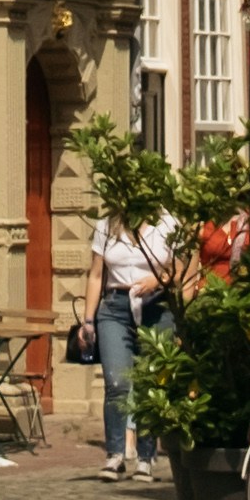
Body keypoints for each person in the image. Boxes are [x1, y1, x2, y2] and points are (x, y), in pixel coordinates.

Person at [76, 196, 177, 478]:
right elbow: (96, 274)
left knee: (148, 382)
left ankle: (146, 457)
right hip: (115, 306)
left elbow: (178, 269)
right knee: (117, 382)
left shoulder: (167, 223)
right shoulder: (108, 225)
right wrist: (88, 320)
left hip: (155, 306)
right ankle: (115, 454)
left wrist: (157, 280)